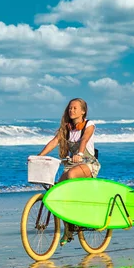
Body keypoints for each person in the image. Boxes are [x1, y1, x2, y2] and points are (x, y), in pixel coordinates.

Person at [37, 97, 101, 244]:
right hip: (71, 165)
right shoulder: (66, 128)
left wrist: (79, 154)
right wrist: (39, 156)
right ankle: (68, 229)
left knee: (71, 175)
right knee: (56, 192)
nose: (71, 110)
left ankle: (79, 213)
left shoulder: (89, 125)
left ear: (83, 111)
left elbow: (84, 139)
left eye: (75, 108)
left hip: (88, 164)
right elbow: (54, 142)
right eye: (70, 108)